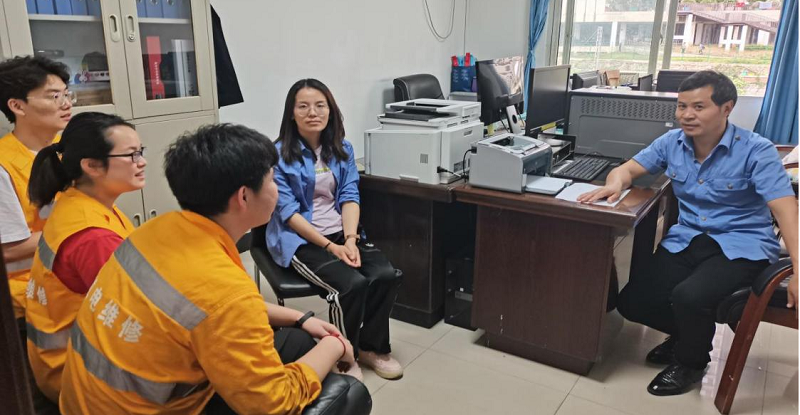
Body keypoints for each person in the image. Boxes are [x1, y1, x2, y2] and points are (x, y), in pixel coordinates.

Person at [59, 124, 362, 415]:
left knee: (296, 340)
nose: (276, 190)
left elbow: (200, 308)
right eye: (272, 180)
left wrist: (300, 317)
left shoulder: (155, 229)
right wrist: (336, 345)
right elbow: (272, 404)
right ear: (244, 197)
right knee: (350, 393)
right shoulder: (225, 289)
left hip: (86, 401)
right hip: (149, 407)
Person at [579, 71, 798, 396]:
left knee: (689, 297)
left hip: (742, 244)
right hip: (690, 237)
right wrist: (615, 183)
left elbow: (786, 209)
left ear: (726, 108)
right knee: (633, 302)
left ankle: (692, 362)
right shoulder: (672, 142)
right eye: (682, 106)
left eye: (698, 106)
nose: (686, 115)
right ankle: (689, 335)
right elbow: (627, 169)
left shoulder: (756, 150)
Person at [267, 79, 404, 380]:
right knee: (350, 285)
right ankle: (343, 355)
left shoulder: (342, 149)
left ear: (330, 110)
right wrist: (331, 247)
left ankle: (371, 348)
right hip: (300, 240)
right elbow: (289, 214)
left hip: (342, 232)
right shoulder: (278, 155)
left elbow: (349, 195)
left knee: (385, 275)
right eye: (303, 106)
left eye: (320, 105)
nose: (312, 112)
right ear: (291, 113)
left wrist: (350, 240)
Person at [24, 112, 145, 403]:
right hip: (82, 373)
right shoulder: (93, 236)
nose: (141, 162)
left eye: (141, 151)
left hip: (66, 360)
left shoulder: (80, 202)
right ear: (91, 165)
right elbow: (140, 315)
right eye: (131, 155)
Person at [0, 56, 72, 324]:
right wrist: (79, 231)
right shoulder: (4, 166)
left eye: (67, 94)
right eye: (54, 97)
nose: (67, 104)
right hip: (27, 297)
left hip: (69, 277)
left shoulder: (68, 149)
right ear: (17, 106)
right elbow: (8, 250)